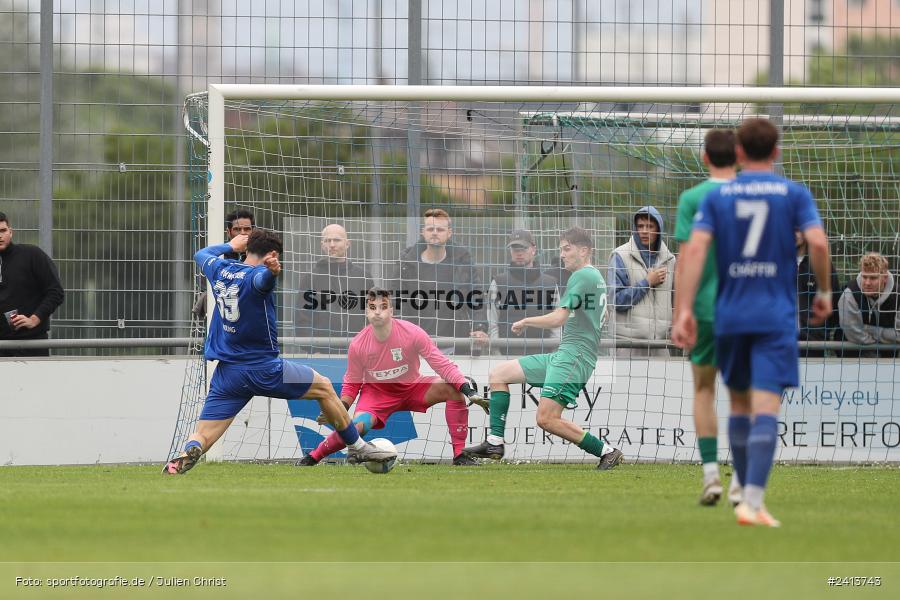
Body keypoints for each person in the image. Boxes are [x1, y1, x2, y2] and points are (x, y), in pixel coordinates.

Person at [673, 117, 832, 527]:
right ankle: (751, 498)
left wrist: (685, 309)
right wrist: (825, 292)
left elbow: (693, 252)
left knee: (738, 403)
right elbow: (816, 241)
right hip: (774, 315)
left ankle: (732, 487)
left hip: (729, 314)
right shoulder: (792, 193)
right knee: (766, 406)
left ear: (739, 153)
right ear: (776, 151)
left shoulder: (715, 200)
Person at [164, 229, 396, 474]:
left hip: (228, 374)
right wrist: (272, 272)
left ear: (246, 248)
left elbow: (202, 253)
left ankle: (189, 451)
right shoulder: (257, 276)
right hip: (264, 368)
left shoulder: (219, 269)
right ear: (272, 254)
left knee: (203, 432)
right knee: (325, 387)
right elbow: (261, 282)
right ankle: (358, 447)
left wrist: (230, 245)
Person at [463, 227, 624, 470]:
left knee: (546, 419)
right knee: (499, 374)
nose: (562, 254)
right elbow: (603, 314)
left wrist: (527, 321)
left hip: (574, 358)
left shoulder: (582, 276)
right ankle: (494, 442)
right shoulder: (594, 278)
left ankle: (607, 451)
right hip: (564, 354)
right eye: (561, 249)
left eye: (567, 249)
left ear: (584, 250)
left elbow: (559, 318)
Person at [297, 287, 489, 467]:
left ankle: (459, 455)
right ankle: (313, 457)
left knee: (450, 389)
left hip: (412, 387)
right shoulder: (358, 344)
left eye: (383, 307)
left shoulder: (412, 333)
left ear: (391, 311)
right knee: (357, 427)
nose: (377, 312)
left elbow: (440, 363)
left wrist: (468, 390)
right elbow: (352, 382)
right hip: (377, 395)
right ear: (366, 312)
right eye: (372, 308)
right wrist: (338, 409)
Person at [673, 129, 739, 506]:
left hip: (705, 310)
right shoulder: (753, 195)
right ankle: (742, 480)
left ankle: (712, 475)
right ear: (739, 156)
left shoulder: (694, 198)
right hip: (747, 308)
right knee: (745, 398)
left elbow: (687, 260)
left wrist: (681, 311)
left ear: (704, 157)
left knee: (703, 390)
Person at [394, 208, 487, 354]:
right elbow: (397, 303)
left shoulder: (462, 262)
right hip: (416, 347)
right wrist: (402, 335)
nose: (435, 232)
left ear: (449, 233)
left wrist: (479, 328)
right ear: (423, 232)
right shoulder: (407, 264)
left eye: (440, 229)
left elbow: (476, 298)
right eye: (430, 228)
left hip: (454, 346)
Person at [608, 206, 676, 356]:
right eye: (640, 226)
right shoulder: (620, 256)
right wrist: (647, 282)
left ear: (659, 228)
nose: (644, 231)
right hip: (628, 343)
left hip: (661, 345)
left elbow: (675, 302)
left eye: (650, 226)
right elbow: (615, 301)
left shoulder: (670, 260)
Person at [482, 229, 559, 356]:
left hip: (542, 357)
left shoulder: (550, 284)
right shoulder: (498, 282)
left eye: (523, 248)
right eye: (514, 249)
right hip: (507, 356)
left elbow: (556, 325)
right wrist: (498, 356)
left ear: (533, 249)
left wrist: (553, 356)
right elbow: (492, 324)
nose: (518, 253)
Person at [295, 223, 373, 347]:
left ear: (348, 243)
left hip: (358, 350)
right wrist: (312, 350)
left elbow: (371, 316)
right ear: (322, 245)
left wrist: (369, 347)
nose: (332, 245)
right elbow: (302, 317)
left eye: (336, 240)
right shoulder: (311, 277)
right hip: (322, 352)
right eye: (327, 240)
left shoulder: (363, 276)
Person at [0, 212, 65, 357]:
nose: (0, 235)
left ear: (10, 232)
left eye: (3, 230)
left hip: (31, 344)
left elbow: (55, 292)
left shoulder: (32, 255)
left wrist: (34, 319)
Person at [191, 209, 255, 318]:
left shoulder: (259, 255)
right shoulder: (219, 254)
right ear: (229, 232)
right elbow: (204, 280)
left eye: (247, 229)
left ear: (253, 231)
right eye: (237, 229)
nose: (243, 233)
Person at [837, 252, 899, 358]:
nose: (867, 283)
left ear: (885, 277)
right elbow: (853, 334)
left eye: (873, 278)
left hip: (888, 361)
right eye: (864, 277)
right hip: (851, 359)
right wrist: (883, 340)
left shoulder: (898, 295)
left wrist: (870, 330)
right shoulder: (849, 294)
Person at [796, 230, 841, 357]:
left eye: (798, 228)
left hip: (813, 345)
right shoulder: (775, 263)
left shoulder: (822, 265)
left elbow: (834, 304)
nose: (795, 233)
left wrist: (818, 332)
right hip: (779, 342)